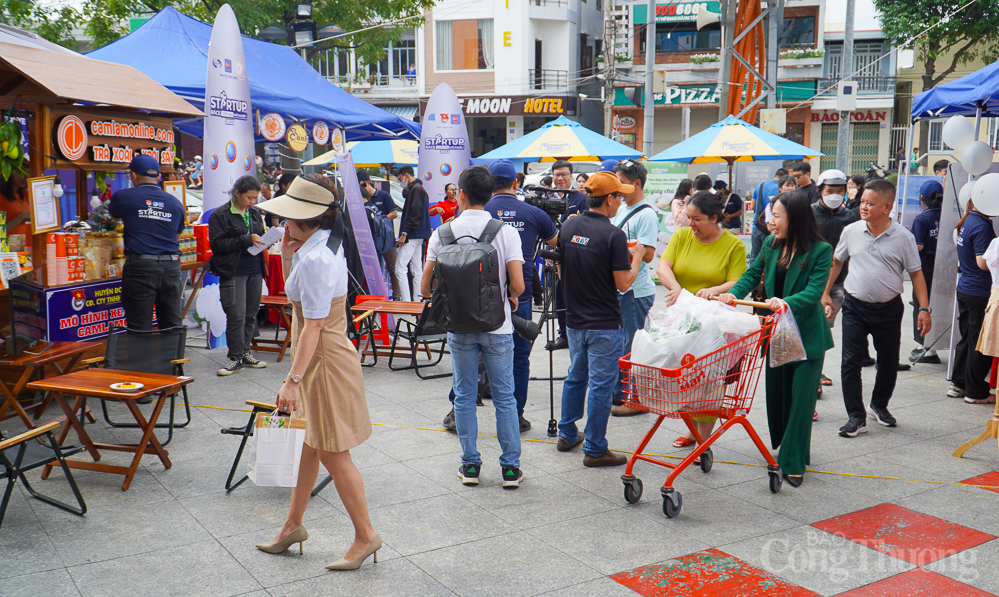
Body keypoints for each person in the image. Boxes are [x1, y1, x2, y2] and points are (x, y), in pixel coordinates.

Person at [254, 174, 380, 570]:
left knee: (332, 452)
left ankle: (365, 536)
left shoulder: (318, 256)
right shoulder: (322, 245)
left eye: (290, 218)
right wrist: (290, 249)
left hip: (322, 362)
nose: (283, 225)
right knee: (311, 444)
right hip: (321, 358)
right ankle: (292, 524)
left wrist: (292, 380)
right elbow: (302, 301)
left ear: (306, 220)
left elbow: (313, 325)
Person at [420, 166, 526, 487]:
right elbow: (519, 286)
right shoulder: (505, 231)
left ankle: (470, 467)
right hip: (498, 328)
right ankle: (510, 469)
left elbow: (426, 288)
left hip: (459, 327)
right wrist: (510, 294)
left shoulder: (442, 233)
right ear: (491, 194)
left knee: (464, 396)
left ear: (461, 195)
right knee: (505, 397)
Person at [720, 191, 833, 486]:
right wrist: (732, 294)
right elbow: (751, 274)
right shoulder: (772, 244)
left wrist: (787, 302)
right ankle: (787, 448)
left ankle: (793, 462)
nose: (771, 222)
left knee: (802, 399)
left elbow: (814, 291)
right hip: (776, 331)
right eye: (772, 216)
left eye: (778, 216)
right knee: (779, 396)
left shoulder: (820, 250)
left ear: (794, 218)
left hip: (807, 335)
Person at [821, 179, 932, 437]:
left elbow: (916, 274)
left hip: (889, 310)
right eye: (862, 202)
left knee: (888, 362)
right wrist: (824, 293)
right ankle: (856, 416)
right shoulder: (851, 231)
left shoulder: (904, 237)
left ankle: (879, 405)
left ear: (887, 207)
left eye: (870, 204)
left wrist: (924, 308)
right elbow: (836, 262)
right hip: (855, 307)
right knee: (850, 363)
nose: (863, 207)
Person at [555, 172, 645, 466]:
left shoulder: (568, 227)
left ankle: (567, 433)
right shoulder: (614, 235)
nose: (621, 201)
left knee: (575, 377)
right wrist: (638, 257)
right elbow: (623, 283)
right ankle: (594, 447)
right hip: (604, 323)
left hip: (575, 319)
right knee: (602, 386)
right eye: (619, 196)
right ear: (609, 200)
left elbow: (561, 270)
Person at [657, 191, 747, 448]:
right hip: (682, 320)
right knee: (684, 377)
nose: (691, 223)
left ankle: (702, 439)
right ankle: (691, 428)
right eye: (689, 217)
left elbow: (737, 281)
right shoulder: (683, 236)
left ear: (715, 218)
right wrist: (676, 288)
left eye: (697, 218)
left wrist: (715, 291)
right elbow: (664, 266)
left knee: (710, 381)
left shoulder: (733, 244)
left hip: (714, 324)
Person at [484, 160, 558, 432]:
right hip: (521, 293)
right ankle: (515, 415)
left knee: (475, 352)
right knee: (518, 357)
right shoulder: (534, 212)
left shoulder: (480, 211)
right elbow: (556, 243)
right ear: (516, 182)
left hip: (483, 295)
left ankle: (457, 411)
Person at [109, 154, 186, 332]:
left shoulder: (124, 197)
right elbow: (178, 236)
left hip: (140, 267)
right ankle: (174, 360)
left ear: (133, 176)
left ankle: (142, 360)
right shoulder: (175, 203)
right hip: (171, 267)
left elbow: (114, 216)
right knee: (172, 324)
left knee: (139, 326)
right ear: (158, 176)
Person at [609, 160, 659, 417]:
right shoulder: (620, 209)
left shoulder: (647, 214)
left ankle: (635, 398)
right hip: (621, 288)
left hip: (635, 290)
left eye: (621, 182)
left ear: (636, 183)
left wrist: (626, 248)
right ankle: (621, 391)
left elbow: (649, 255)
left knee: (632, 344)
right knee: (621, 343)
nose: (618, 188)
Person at [208, 175, 271, 376]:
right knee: (236, 315)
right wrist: (245, 239)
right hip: (233, 271)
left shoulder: (254, 214)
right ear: (237, 193)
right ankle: (235, 357)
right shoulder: (220, 215)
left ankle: (245, 353)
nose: (252, 201)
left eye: (255, 198)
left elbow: (258, 237)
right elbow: (216, 245)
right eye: (249, 197)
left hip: (254, 268)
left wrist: (267, 240)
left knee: (251, 313)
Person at [811, 169, 859, 390]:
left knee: (823, 327)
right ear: (820, 190)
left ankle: (816, 372)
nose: (835, 195)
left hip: (839, 282)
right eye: (830, 190)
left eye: (840, 191)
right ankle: (814, 374)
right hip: (811, 282)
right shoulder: (808, 214)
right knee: (813, 326)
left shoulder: (850, 217)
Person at [949, 199, 997, 404]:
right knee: (980, 342)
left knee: (967, 338)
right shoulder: (982, 225)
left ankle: (959, 383)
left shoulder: (968, 219)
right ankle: (975, 391)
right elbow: (982, 263)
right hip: (979, 291)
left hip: (966, 288)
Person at [550, 159, 588, 350]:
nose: (560, 178)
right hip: (554, 253)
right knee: (558, 295)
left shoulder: (580, 198)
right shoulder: (547, 198)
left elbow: (589, 226)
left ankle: (577, 332)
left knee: (575, 293)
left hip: (576, 255)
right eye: (557, 174)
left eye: (564, 174)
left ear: (571, 176)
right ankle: (563, 334)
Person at [908, 181, 943, 364]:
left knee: (922, 305)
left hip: (926, 267)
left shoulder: (921, 219)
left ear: (922, 199)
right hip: (944, 266)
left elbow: (919, 246)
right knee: (940, 305)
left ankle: (925, 347)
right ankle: (935, 344)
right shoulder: (947, 216)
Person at [356, 171, 402, 299]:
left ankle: (397, 296)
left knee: (392, 269)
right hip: (372, 241)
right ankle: (377, 295)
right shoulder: (363, 201)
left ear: (367, 183)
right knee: (375, 270)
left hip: (386, 239)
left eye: (361, 186)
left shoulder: (383, 195)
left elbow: (394, 213)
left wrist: (380, 222)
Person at [394, 165, 431, 301]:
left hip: (412, 234)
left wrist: (404, 233)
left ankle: (407, 301)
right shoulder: (418, 189)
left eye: (400, 179)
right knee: (416, 269)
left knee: (400, 268)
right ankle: (416, 301)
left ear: (406, 176)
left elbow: (415, 214)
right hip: (419, 235)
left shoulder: (415, 190)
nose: (400, 182)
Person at [749, 168, 787, 262]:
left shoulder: (760, 185)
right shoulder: (782, 189)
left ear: (774, 176)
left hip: (757, 225)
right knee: (768, 258)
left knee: (754, 257)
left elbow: (752, 206)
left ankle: (752, 275)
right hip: (774, 228)